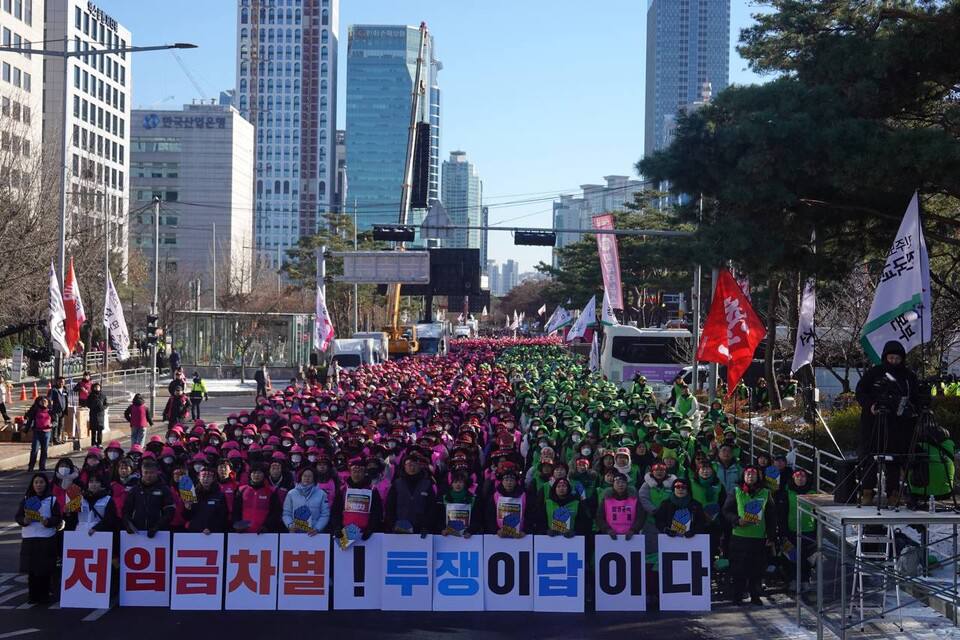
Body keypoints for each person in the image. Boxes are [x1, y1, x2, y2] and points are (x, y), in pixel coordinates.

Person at [855, 340, 921, 506]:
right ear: (885, 357)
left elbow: (916, 397)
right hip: (873, 423)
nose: (893, 361)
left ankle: (893, 493)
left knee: (894, 460)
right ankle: (867, 492)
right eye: (891, 358)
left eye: (897, 358)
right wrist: (871, 405)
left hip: (898, 426)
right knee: (870, 459)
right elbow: (861, 391)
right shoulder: (874, 373)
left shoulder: (908, 376)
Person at [723, 466, 779, 605]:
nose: (750, 476)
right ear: (743, 476)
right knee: (738, 569)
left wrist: (771, 536)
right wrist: (737, 520)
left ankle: (755, 596)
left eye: (753, 474)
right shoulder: (736, 491)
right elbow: (726, 511)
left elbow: (771, 517)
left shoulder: (765, 493)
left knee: (757, 569)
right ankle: (737, 596)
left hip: (758, 538)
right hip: (739, 537)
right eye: (748, 474)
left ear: (759, 477)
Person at [15, 473, 62, 604]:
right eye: (36, 482)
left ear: (46, 484)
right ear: (32, 484)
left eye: (41, 482)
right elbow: (18, 517)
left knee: (45, 568)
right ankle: (33, 595)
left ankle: (45, 594)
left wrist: (49, 521)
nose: (39, 485)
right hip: (30, 537)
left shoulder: (52, 500)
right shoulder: (26, 499)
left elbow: (58, 517)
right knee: (32, 569)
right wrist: (24, 520)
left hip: (46, 537)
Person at [332, 457, 383, 539]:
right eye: (354, 471)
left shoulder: (372, 490)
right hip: (345, 533)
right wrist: (337, 527)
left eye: (360, 472)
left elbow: (377, 512)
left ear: (364, 473)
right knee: (345, 551)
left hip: (366, 535)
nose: (357, 474)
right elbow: (336, 511)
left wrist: (371, 529)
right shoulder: (343, 490)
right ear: (350, 473)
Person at [384, 453, 436, 535]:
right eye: (409, 465)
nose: (412, 467)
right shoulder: (397, 484)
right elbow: (390, 506)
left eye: (415, 465)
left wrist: (426, 526)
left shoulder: (427, 484)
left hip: (421, 531)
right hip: (399, 530)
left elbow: (431, 507)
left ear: (419, 466)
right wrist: (393, 524)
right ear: (404, 466)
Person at [122, 459, 175, 537]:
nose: (148, 475)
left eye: (151, 473)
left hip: (159, 534)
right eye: (146, 472)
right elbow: (126, 510)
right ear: (141, 473)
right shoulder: (135, 490)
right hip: (137, 533)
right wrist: (128, 524)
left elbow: (169, 511)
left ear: (156, 473)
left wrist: (157, 527)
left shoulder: (164, 489)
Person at [233, 464, 281, 534]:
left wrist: (267, 527)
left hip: (264, 534)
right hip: (243, 534)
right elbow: (236, 511)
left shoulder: (271, 491)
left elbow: (276, 512)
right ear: (250, 475)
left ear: (264, 475)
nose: (256, 475)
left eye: (259, 473)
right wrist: (237, 525)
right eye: (254, 473)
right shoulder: (241, 490)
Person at [282, 467, 331, 535]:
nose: (307, 478)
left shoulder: (322, 494)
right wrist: (290, 525)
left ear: (314, 478)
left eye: (310, 476)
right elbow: (286, 513)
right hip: (295, 533)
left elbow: (325, 514)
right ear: (300, 477)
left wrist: (317, 528)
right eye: (305, 476)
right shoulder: (291, 493)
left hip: (315, 534)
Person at [435, 470, 483, 536]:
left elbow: (476, 519)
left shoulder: (472, 498)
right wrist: (442, 529)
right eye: (455, 482)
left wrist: (470, 531)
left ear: (464, 484)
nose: (458, 484)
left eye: (460, 482)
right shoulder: (444, 498)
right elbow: (439, 518)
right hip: (447, 536)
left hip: (467, 536)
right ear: (451, 484)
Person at [597, 471, 643, 539]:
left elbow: (640, 517)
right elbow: (599, 517)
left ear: (627, 484)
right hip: (609, 537)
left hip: (632, 536)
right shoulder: (606, 500)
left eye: (623, 482)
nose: (620, 485)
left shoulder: (634, 499)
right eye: (617, 483)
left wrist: (633, 530)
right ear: (613, 484)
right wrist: (607, 530)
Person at [185, 465, 228, 534]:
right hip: (195, 533)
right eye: (203, 476)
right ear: (199, 477)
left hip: (214, 534)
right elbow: (187, 517)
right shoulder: (191, 494)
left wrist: (211, 528)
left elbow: (222, 516)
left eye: (208, 477)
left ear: (213, 479)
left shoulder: (219, 495)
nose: (205, 479)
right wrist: (187, 508)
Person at [25, 396, 53, 472]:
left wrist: (52, 424)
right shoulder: (35, 410)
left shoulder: (50, 411)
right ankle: (31, 466)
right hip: (37, 432)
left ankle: (42, 466)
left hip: (47, 433)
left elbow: (55, 421)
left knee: (44, 450)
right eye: (42, 401)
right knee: (35, 449)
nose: (44, 403)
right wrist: (26, 430)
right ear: (39, 402)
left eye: (45, 402)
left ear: (48, 403)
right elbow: (29, 419)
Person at [47, 377, 69, 445]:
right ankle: (54, 439)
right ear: (57, 382)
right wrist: (50, 402)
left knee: (61, 425)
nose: (61, 383)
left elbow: (66, 399)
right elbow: (49, 398)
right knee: (55, 424)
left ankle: (59, 438)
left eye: (63, 382)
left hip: (62, 411)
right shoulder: (53, 390)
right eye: (60, 382)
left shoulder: (65, 390)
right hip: (55, 410)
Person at [86, 382, 108, 447]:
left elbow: (106, 404)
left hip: (101, 415)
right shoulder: (91, 395)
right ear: (93, 388)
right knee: (93, 430)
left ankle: (99, 443)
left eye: (98, 387)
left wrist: (103, 408)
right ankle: (93, 443)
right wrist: (92, 406)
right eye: (95, 387)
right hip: (93, 414)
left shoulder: (103, 395)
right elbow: (87, 404)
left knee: (100, 430)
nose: (97, 388)